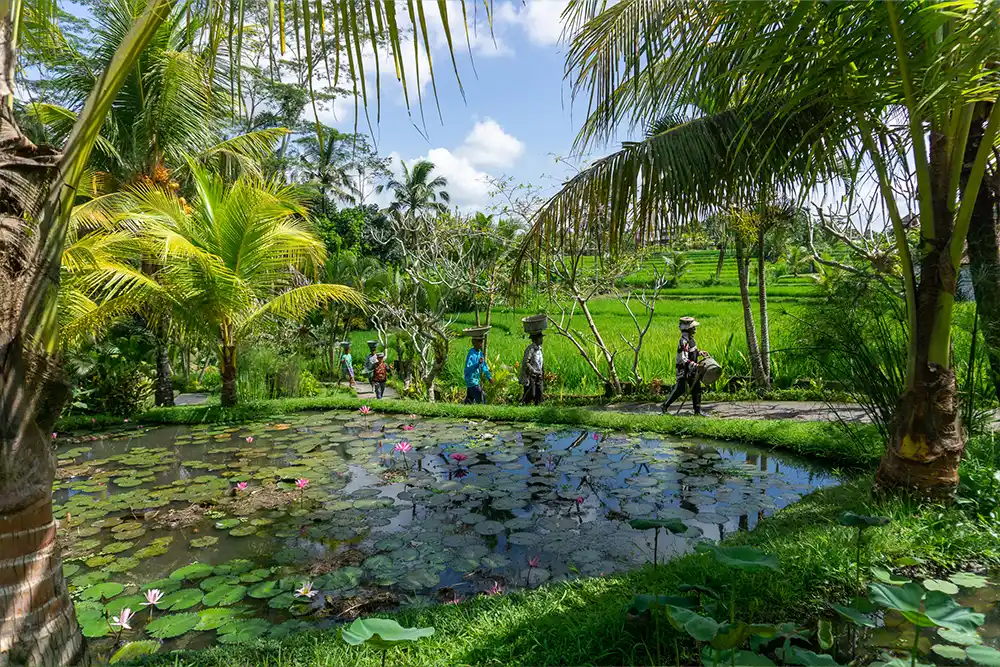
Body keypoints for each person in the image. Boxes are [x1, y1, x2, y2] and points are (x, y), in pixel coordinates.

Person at [661, 317, 708, 416]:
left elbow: (693, 352)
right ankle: (665, 405)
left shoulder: (691, 340)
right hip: (684, 370)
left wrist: (700, 353)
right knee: (680, 389)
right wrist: (696, 365)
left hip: (692, 369)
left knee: (696, 388)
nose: (695, 329)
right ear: (687, 329)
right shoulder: (683, 342)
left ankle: (697, 411)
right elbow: (684, 359)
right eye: (693, 327)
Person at [464, 336, 493, 404]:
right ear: (474, 342)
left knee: (470, 399)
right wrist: (477, 364)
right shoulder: (471, 353)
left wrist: (489, 377)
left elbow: (484, 366)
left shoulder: (480, 353)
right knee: (481, 396)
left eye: (482, 341)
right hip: (471, 379)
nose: (481, 343)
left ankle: (466, 406)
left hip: (476, 380)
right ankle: (483, 409)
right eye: (479, 341)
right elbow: (468, 368)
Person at [520, 333, 544, 405]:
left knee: (539, 394)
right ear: (535, 339)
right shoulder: (530, 349)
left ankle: (538, 407)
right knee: (531, 394)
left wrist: (542, 372)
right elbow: (526, 362)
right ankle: (525, 405)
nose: (542, 340)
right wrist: (533, 371)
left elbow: (541, 362)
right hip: (531, 375)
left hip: (538, 375)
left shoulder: (539, 349)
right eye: (540, 338)